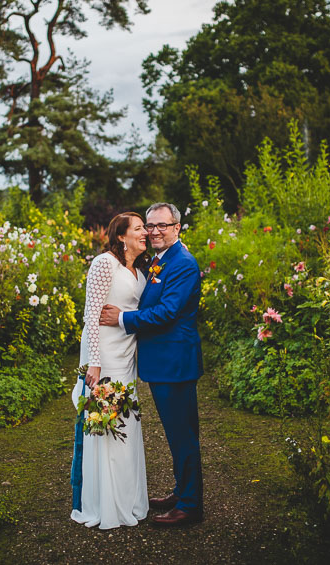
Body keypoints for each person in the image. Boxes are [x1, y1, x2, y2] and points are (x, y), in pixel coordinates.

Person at [100, 202, 204, 527]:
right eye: (150, 225)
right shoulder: (161, 260)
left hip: (175, 363)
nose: (154, 231)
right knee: (177, 434)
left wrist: (122, 319)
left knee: (183, 435)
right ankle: (182, 491)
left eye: (162, 225)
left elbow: (167, 312)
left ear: (177, 228)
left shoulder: (183, 263)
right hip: (164, 362)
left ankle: (190, 505)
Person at [70, 212, 150, 529]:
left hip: (126, 356)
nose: (146, 232)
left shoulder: (139, 269)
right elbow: (91, 315)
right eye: (139, 228)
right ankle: (106, 503)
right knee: (106, 427)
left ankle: (127, 497)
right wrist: (95, 361)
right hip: (105, 357)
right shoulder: (105, 263)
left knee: (126, 426)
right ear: (121, 236)